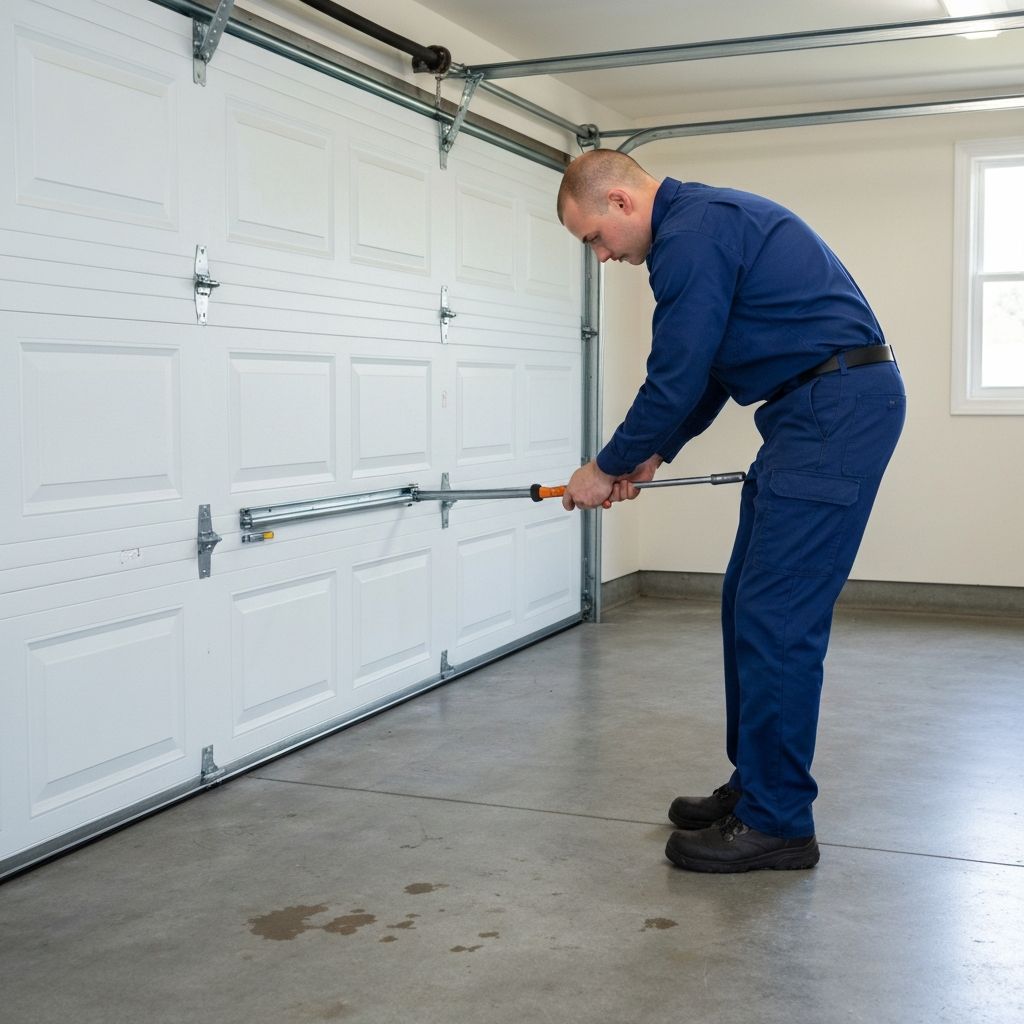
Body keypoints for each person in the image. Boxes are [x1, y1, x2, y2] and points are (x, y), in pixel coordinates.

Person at [557, 149, 906, 873]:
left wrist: (606, 465)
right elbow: (711, 369)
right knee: (747, 603)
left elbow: (676, 370)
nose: (599, 256)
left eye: (593, 237)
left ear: (620, 202)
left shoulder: (691, 236)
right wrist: (656, 452)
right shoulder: (704, 224)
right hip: (813, 408)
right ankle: (757, 789)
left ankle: (779, 821)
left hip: (830, 411)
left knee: (777, 616)